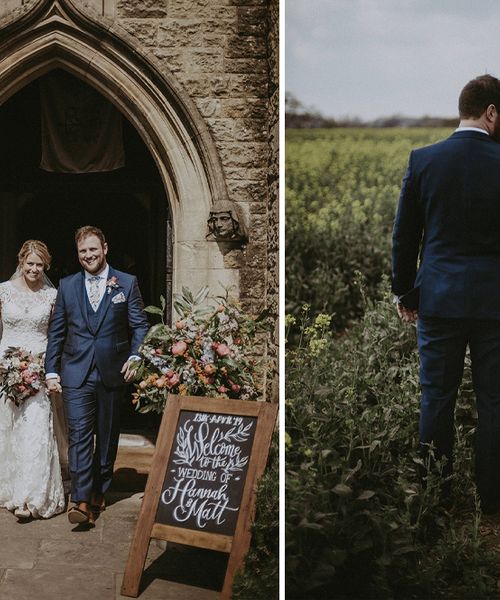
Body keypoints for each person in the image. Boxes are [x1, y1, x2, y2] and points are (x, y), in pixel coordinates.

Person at [392, 74, 500, 513]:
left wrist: (405, 293)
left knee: (436, 395)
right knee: (494, 398)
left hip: (437, 297)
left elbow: (404, 237)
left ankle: (434, 493)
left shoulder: (424, 160)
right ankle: (492, 497)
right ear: (491, 112)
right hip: (496, 302)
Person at [45, 226, 149, 526]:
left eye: (93, 249)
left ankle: (99, 490)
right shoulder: (67, 286)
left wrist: (135, 355)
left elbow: (140, 325)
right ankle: (78, 498)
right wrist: (51, 369)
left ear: (105, 248)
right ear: (77, 255)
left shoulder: (126, 283)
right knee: (79, 436)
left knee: (105, 438)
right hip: (75, 372)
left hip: (111, 372)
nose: (88, 255)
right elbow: (57, 332)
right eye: (82, 252)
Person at [0, 240, 66, 520]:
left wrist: (48, 369)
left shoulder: (52, 296)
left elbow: (56, 334)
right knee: (8, 429)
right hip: (5, 369)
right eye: (30, 263)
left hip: (39, 370)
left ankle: (33, 495)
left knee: (36, 429)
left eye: (40, 265)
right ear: (21, 262)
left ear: (46, 266)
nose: (34, 269)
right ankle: (9, 490)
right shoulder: (3, 291)